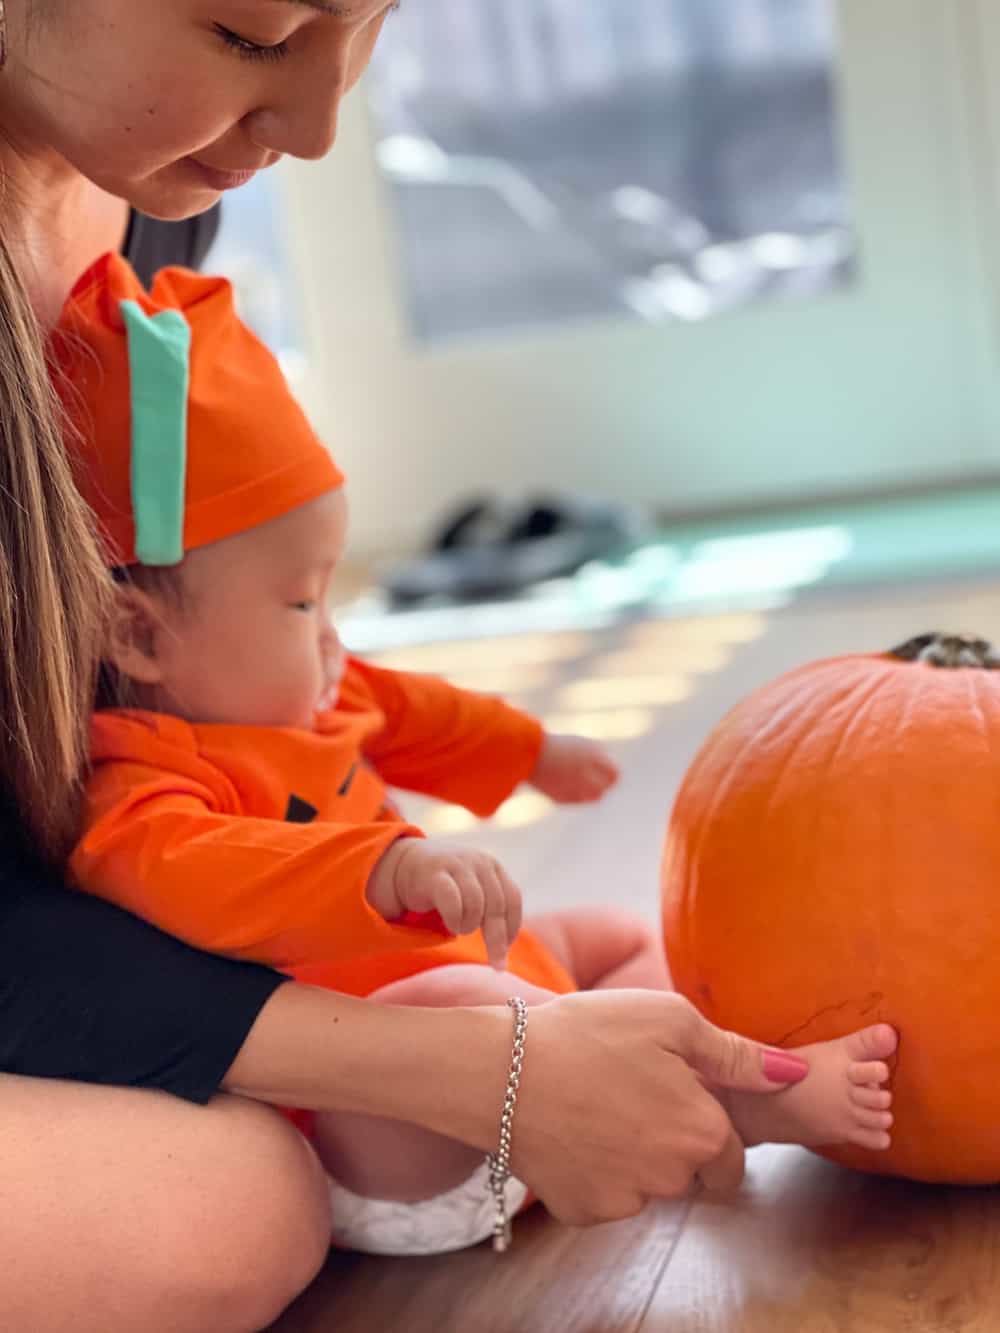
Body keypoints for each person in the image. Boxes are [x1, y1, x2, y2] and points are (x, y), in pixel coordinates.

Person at [0, 1, 893, 1326]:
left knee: (617, 947)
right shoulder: (150, 788)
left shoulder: (147, 230)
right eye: (251, 39)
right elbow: (131, 873)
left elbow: (389, 704)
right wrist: (465, 1065)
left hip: (100, 975)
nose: (315, 132)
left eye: (363, 31)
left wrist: (521, 754)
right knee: (233, 1210)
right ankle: (748, 1087)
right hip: (96, 970)